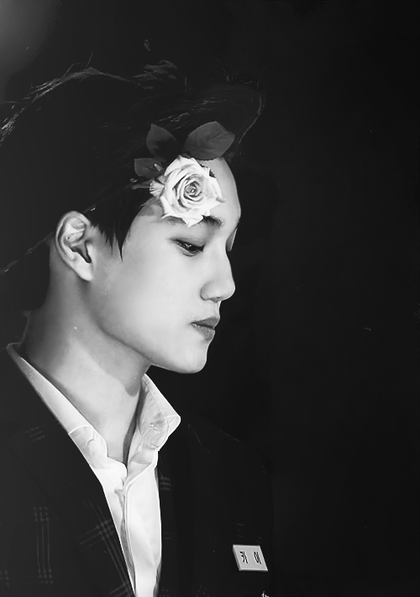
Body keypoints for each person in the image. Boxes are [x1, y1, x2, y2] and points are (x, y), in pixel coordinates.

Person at [0, 65, 273, 597]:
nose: (225, 285)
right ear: (80, 245)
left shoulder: (230, 474)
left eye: (229, 247)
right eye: (192, 244)